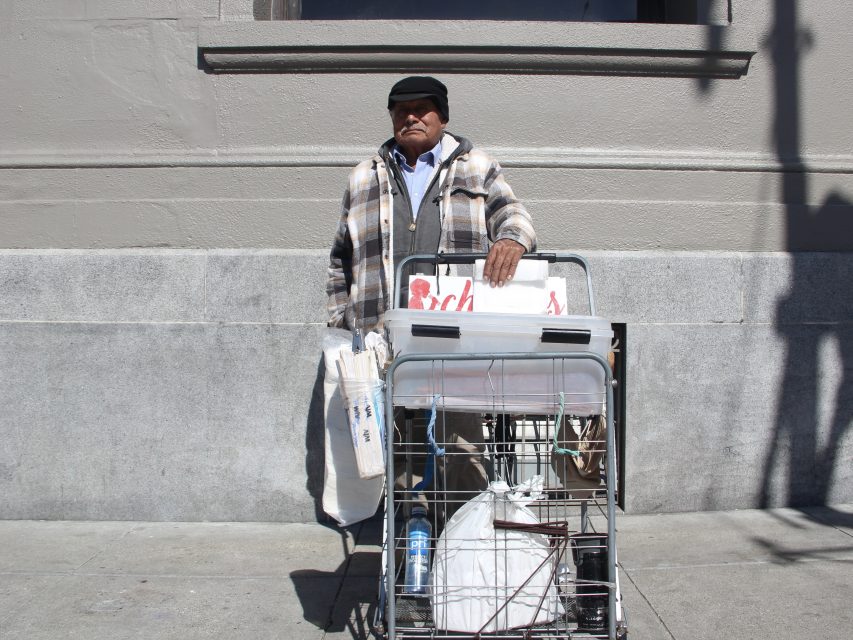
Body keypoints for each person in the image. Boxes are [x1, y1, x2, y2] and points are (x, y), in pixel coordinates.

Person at [326, 76, 536, 518]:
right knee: (398, 444)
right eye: (402, 109)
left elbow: (514, 213)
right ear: (391, 117)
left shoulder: (477, 166)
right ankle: (409, 543)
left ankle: (466, 540)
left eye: (423, 109)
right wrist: (342, 325)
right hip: (383, 335)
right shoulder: (365, 175)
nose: (412, 117)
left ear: (442, 116)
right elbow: (340, 257)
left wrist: (513, 239)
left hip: (454, 333)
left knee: (461, 443)